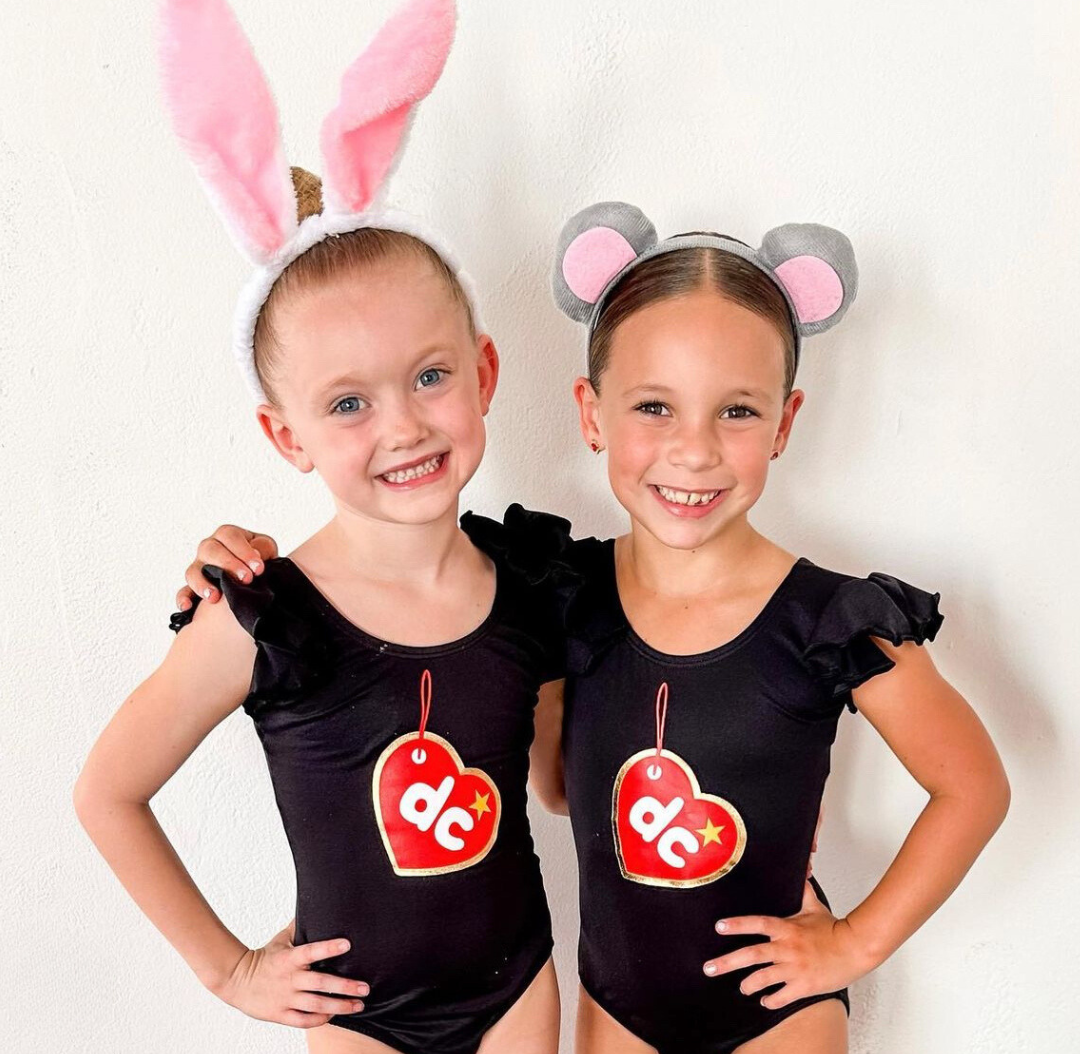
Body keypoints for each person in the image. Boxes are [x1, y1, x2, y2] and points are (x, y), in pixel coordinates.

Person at [182, 201, 1009, 1053]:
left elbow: (974, 786)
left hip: (778, 1016)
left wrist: (855, 943)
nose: (694, 451)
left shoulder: (830, 620)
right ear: (591, 413)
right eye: (654, 407)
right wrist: (238, 573)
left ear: (785, 423)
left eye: (737, 412)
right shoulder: (559, 593)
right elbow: (556, 781)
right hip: (617, 1011)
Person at [73, 0, 560, 1053]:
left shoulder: (531, 583)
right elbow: (108, 791)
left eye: (430, 376)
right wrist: (229, 968)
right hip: (358, 1018)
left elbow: (565, 787)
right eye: (348, 403)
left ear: (483, 373)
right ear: (287, 437)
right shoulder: (259, 614)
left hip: (519, 985)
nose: (403, 426)